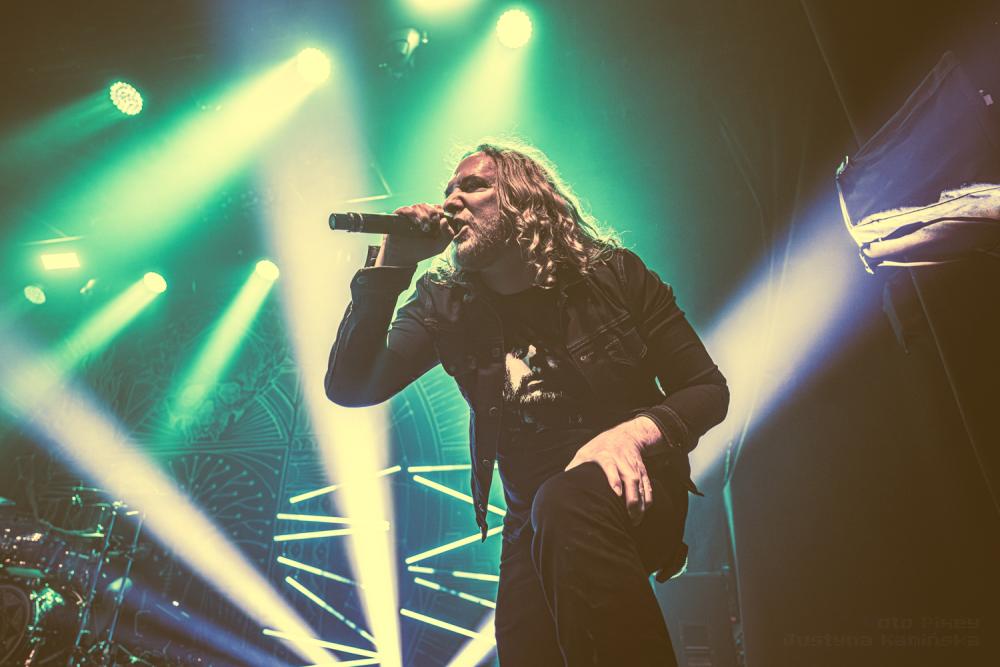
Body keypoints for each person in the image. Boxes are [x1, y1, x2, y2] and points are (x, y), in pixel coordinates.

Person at [326, 142, 729, 666]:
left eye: (474, 186)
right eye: (448, 191)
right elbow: (351, 386)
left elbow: (706, 389)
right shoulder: (446, 303)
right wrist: (392, 266)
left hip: (637, 486)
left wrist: (629, 436)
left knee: (564, 501)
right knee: (525, 640)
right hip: (531, 516)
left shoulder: (613, 276)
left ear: (525, 199)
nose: (451, 201)